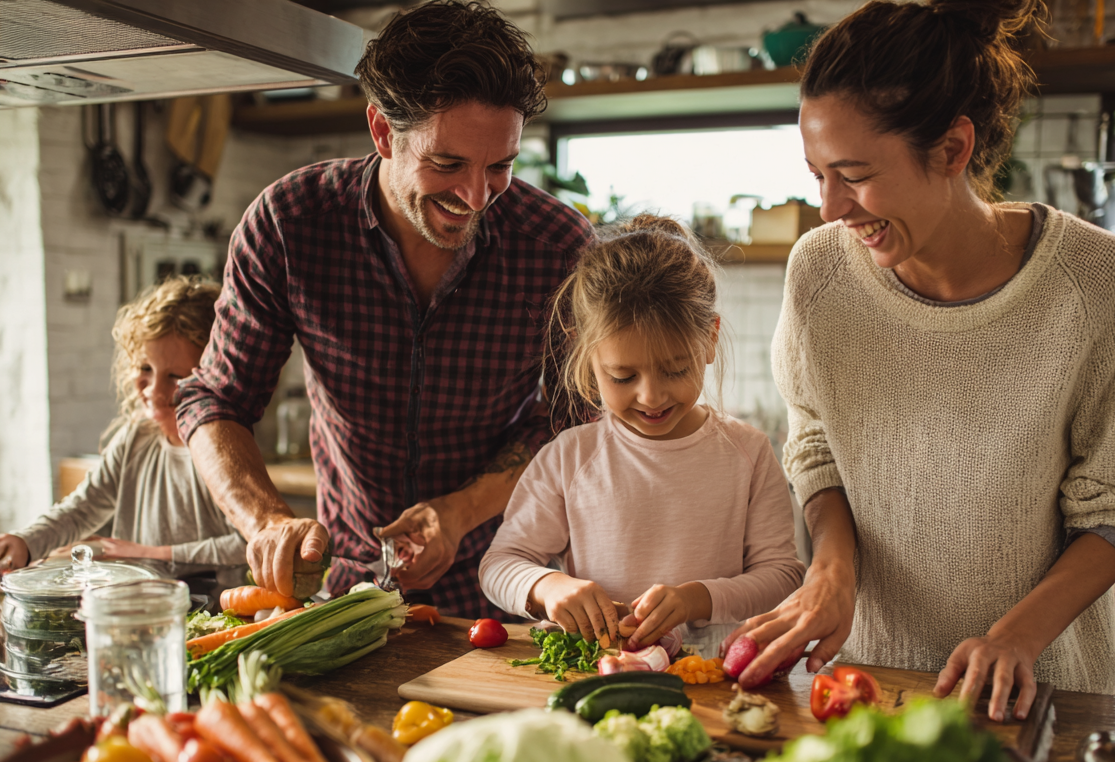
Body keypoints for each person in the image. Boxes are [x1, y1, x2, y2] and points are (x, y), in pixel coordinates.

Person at [727, 0, 1115, 720]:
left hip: (1035, 695)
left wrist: (1014, 639)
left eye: (853, 174)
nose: (831, 207)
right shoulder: (819, 273)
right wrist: (831, 570)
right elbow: (817, 443)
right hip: (866, 687)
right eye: (817, 175)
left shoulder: (1099, 282)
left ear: (952, 148)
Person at [175, 1, 594, 614]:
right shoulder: (291, 223)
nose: (476, 195)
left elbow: (574, 420)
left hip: (504, 580)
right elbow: (215, 399)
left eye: (500, 166)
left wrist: (460, 511)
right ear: (381, 132)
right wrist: (265, 521)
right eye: (447, 164)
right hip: (348, 583)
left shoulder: (557, 247)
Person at [478, 215, 805, 657]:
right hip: (597, 670)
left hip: (711, 674)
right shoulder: (570, 456)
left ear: (710, 339)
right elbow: (499, 565)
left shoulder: (748, 453)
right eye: (623, 376)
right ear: (585, 353)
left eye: (675, 370)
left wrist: (696, 599)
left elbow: (782, 575)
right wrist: (549, 586)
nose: (651, 396)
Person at [0, 277, 247, 573]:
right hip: (140, 597)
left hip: (214, 603)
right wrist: (26, 541)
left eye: (175, 376)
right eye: (145, 368)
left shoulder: (223, 450)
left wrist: (149, 554)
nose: (154, 390)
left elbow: (247, 543)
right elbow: (81, 510)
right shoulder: (135, 437)